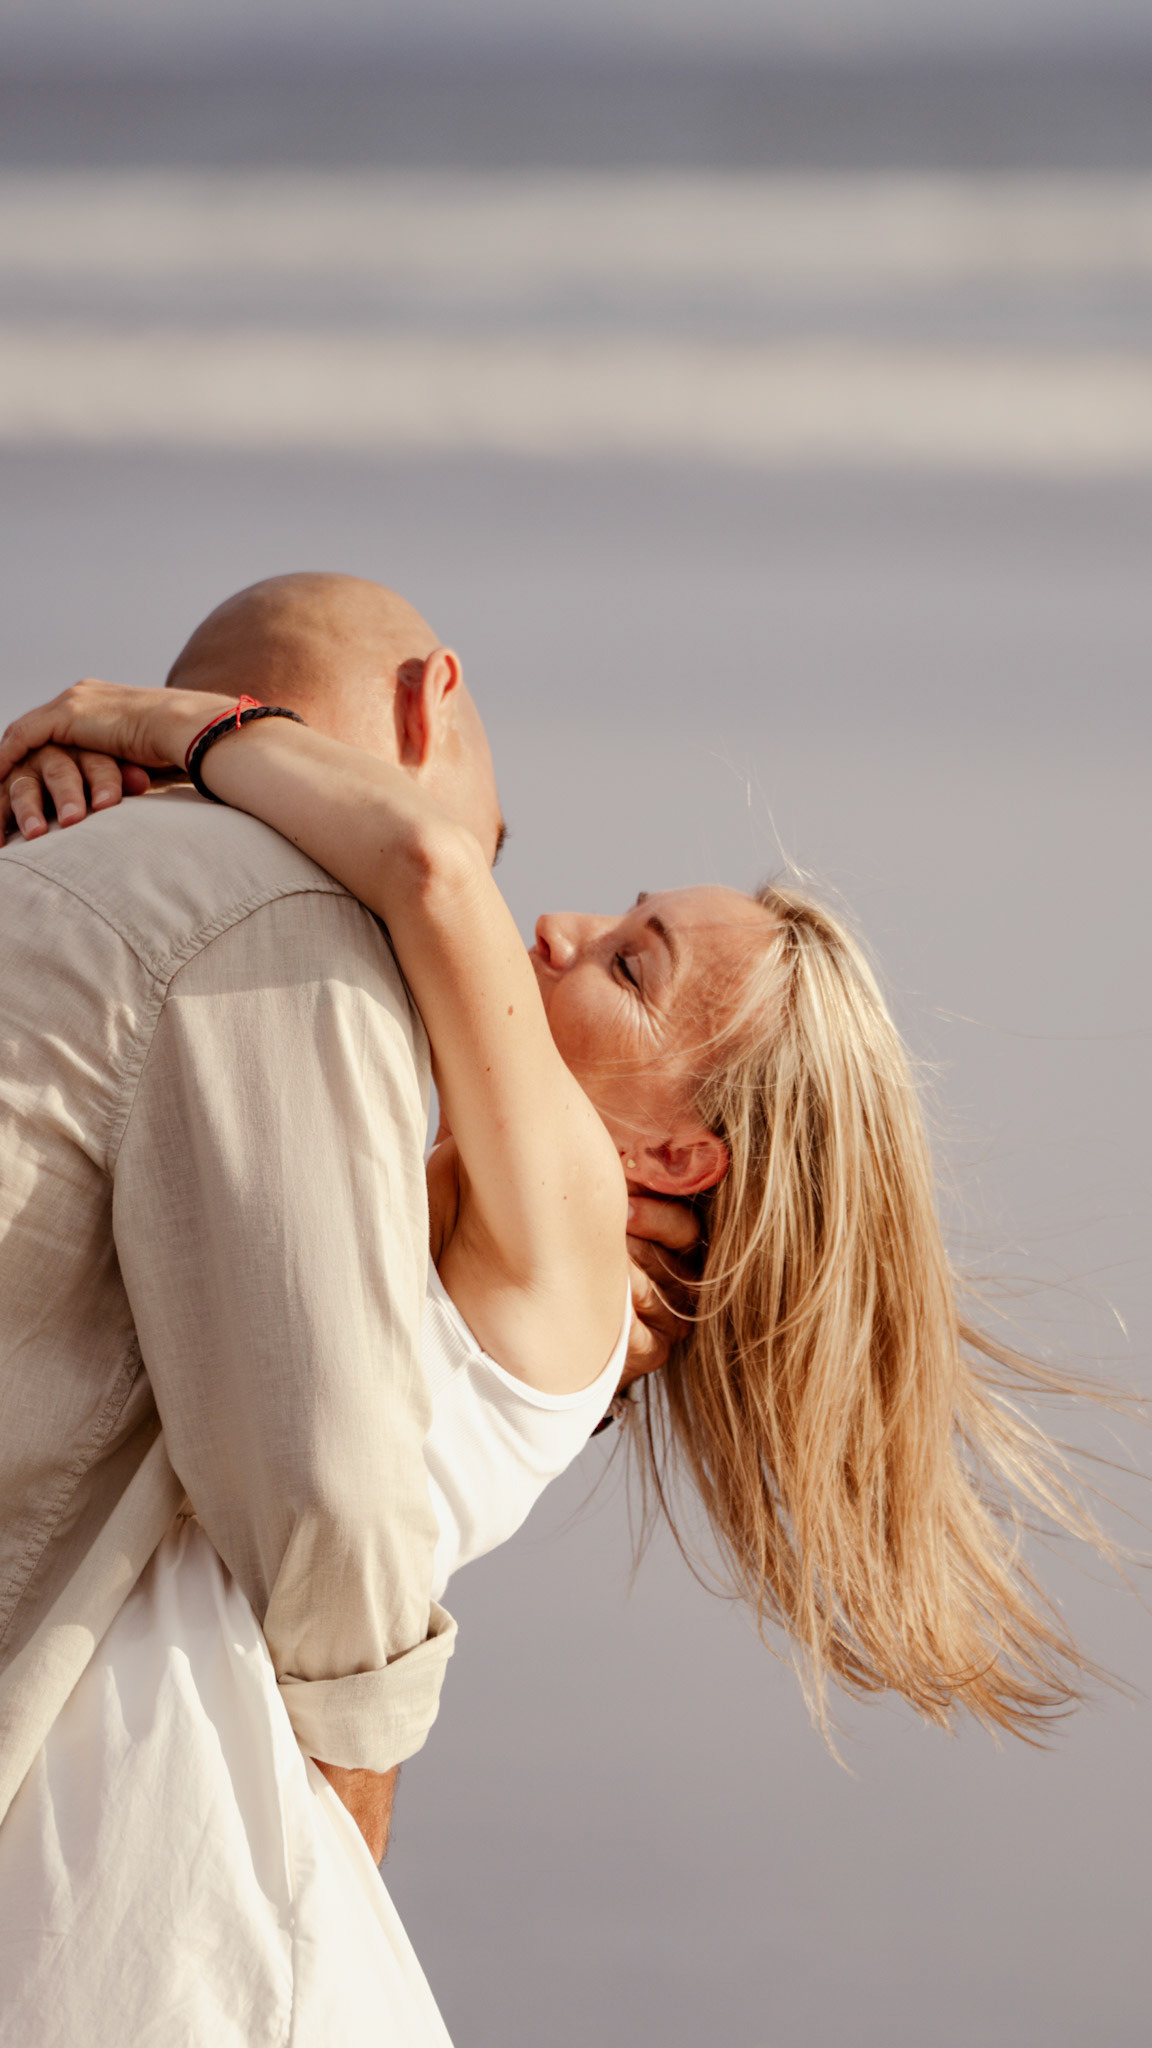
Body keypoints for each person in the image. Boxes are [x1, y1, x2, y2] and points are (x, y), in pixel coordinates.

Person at [0, 577, 1113, 2032]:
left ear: (680, 1157)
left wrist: (146, 721)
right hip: (172, 1858)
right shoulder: (474, 1219)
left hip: (217, 1922)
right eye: (619, 916)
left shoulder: (578, 1227)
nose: (559, 929)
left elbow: (432, 870)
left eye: (629, 964)